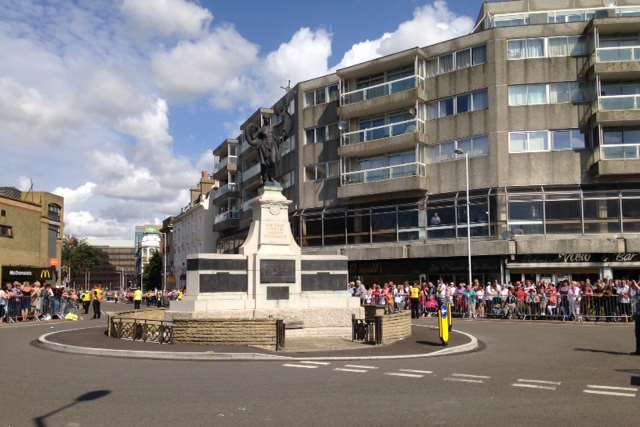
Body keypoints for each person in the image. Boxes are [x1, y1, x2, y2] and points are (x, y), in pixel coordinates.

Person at [631, 281, 640, 355]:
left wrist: (636, 284)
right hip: (637, 315)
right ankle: (638, 350)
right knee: (637, 333)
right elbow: (634, 304)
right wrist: (634, 313)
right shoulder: (636, 294)